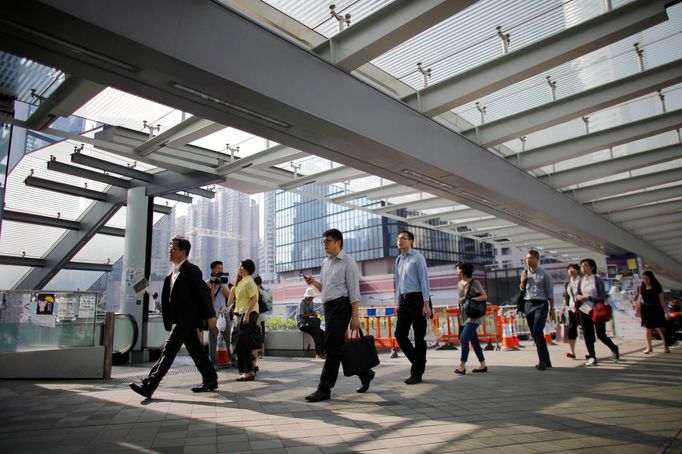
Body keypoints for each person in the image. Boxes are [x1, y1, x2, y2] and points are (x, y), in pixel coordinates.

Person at [129, 236, 218, 399]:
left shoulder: (191, 270)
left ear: (183, 252)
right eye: (170, 248)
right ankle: (211, 379)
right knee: (196, 350)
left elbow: (202, 294)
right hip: (180, 320)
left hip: (187, 319)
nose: (170, 251)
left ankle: (150, 384)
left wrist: (210, 315)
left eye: (173, 248)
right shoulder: (172, 274)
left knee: (169, 350)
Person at [303, 228, 375, 402]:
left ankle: (324, 388)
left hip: (342, 306)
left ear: (338, 242)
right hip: (328, 308)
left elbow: (354, 292)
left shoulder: (348, 262)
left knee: (331, 347)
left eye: (327, 241)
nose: (324, 244)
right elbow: (325, 289)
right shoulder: (325, 263)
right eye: (323, 242)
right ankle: (365, 372)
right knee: (339, 346)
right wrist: (314, 283)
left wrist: (355, 316)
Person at [393, 230, 432, 385]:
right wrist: (397, 302)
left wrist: (426, 303)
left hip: (418, 300)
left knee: (419, 337)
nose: (400, 241)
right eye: (399, 238)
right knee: (399, 334)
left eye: (404, 238)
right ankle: (418, 362)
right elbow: (398, 283)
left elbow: (424, 281)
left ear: (411, 241)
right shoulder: (398, 260)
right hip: (403, 300)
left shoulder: (418, 258)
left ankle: (416, 373)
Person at [576, 258, 619, 366]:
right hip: (584, 310)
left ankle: (614, 348)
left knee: (601, 334)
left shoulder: (597, 279)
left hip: (596, 310)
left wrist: (589, 298)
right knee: (587, 335)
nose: (583, 268)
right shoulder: (581, 280)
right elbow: (577, 293)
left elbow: (602, 296)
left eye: (586, 265)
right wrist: (579, 297)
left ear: (592, 267)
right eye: (582, 266)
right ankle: (592, 356)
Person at [520, 249, 554, 370]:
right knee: (534, 333)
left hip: (541, 304)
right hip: (528, 304)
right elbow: (522, 288)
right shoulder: (525, 272)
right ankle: (546, 360)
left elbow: (550, 294)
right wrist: (523, 280)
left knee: (537, 330)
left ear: (537, 259)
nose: (527, 261)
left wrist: (552, 310)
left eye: (530, 258)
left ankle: (543, 361)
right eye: (526, 259)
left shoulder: (545, 274)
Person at [228, 259, 261, 381]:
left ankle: (249, 371)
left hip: (248, 314)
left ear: (246, 268)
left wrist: (247, 315)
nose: (239, 268)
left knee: (244, 343)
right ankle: (248, 370)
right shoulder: (241, 282)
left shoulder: (249, 282)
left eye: (240, 266)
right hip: (240, 314)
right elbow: (232, 302)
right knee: (241, 343)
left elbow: (254, 299)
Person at [454, 262, 488, 375]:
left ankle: (462, 365)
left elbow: (484, 296)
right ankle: (483, 365)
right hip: (464, 316)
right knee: (474, 341)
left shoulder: (474, 282)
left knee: (464, 339)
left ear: (463, 271)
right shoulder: (459, 284)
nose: (456, 272)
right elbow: (461, 300)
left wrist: (470, 299)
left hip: (473, 316)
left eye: (458, 270)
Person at [636, 270, 669, 354]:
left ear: (651, 278)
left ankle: (666, 347)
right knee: (647, 329)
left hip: (656, 309)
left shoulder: (657, 287)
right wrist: (637, 308)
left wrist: (665, 312)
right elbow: (639, 298)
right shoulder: (642, 287)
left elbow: (662, 300)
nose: (645, 280)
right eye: (644, 278)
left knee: (660, 329)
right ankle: (649, 347)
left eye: (647, 278)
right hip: (646, 309)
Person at [207, 260, 231, 368]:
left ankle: (231, 360)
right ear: (213, 269)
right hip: (214, 314)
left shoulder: (224, 282)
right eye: (218, 268)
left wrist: (221, 284)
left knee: (228, 337)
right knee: (213, 339)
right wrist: (212, 284)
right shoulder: (207, 282)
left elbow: (228, 296)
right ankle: (214, 362)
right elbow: (211, 299)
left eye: (222, 268)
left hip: (224, 313)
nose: (221, 270)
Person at [297, 287, 325, 359]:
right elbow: (301, 315)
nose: (312, 298)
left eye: (312, 297)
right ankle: (318, 353)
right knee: (316, 332)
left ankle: (324, 352)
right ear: (307, 296)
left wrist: (314, 313)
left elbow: (311, 312)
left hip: (309, 323)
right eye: (311, 297)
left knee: (322, 333)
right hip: (302, 324)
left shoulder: (311, 302)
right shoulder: (302, 302)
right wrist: (311, 314)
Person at [560, 264, 581, 359]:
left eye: (573, 269)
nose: (571, 270)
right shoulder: (567, 283)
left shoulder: (582, 281)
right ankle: (572, 352)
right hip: (572, 309)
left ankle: (591, 353)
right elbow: (567, 297)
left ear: (577, 270)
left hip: (583, 308)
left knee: (586, 330)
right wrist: (563, 308)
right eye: (569, 269)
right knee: (572, 330)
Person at [253, 274, 269, 361]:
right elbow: (266, 300)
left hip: (254, 316)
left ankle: (254, 352)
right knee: (261, 334)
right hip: (262, 316)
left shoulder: (253, 291)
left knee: (254, 334)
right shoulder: (264, 293)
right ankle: (260, 352)